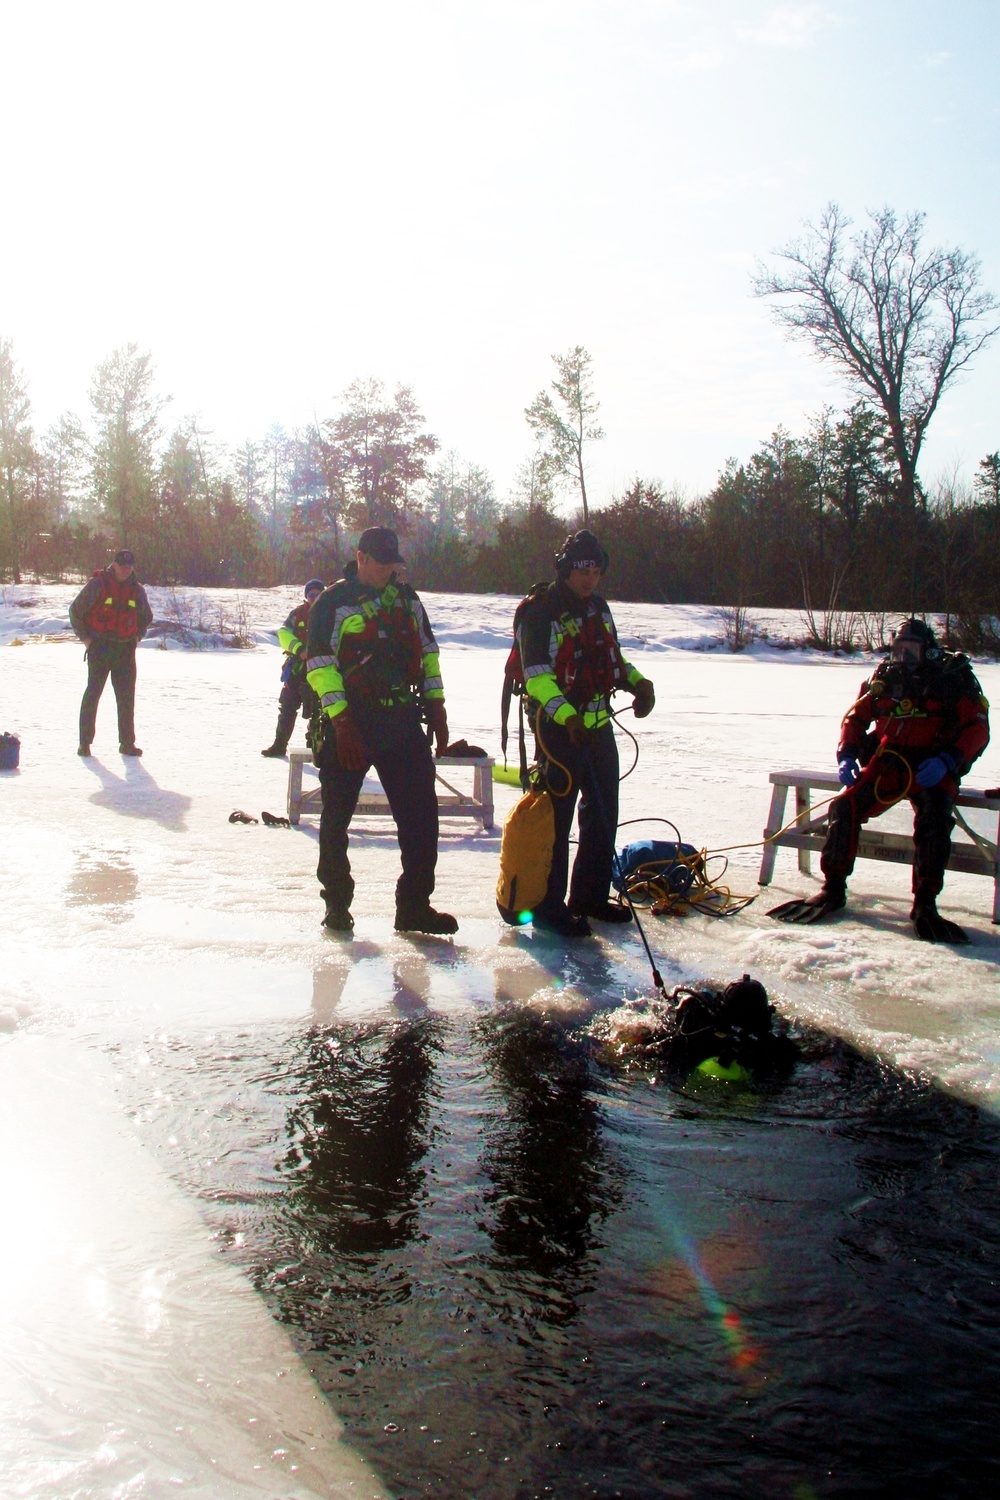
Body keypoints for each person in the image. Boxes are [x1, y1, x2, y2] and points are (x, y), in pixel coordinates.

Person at [770, 617, 990, 944]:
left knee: (934, 819)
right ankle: (833, 888)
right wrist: (847, 753)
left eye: (911, 651)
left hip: (933, 764)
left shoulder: (951, 679)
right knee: (845, 807)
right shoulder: (884, 678)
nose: (903, 659)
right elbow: (855, 718)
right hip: (890, 761)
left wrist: (949, 760)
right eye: (898, 650)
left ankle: (925, 904)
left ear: (928, 651)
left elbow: (978, 728)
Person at [305, 526, 457, 936]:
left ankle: (414, 906)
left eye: (394, 563)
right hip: (351, 724)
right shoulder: (332, 603)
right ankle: (337, 905)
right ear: (361, 559)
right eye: (381, 563)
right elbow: (319, 664)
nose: (389, 570)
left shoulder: (407, 599)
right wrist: (342, 723)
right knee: (336, 818)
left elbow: (427, 653)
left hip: (401, 721)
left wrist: (437, 707)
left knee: (422, 816)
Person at [517, 529, 656, 938]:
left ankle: (589, 897)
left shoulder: (599, 608)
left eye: (596, 571)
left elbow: (611, 657)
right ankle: (547, 906)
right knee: (556, 821)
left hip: (597, 727)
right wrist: (567, 717)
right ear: (564, 568)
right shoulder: (540, 611)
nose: (589, 579)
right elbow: (536, 675)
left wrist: (638, 683)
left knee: (602, 813)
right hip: (557, 731)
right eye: (582, 570)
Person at [69, 549, 153, 757]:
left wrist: (137, 636)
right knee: (93, 694)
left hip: (125, 649)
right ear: (113, 564)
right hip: (100, 646)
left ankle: (127, 744)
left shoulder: (137, 590)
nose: (126, 570)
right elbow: (75, 611)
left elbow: (146, 616)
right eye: (122, 566)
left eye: (129, 567)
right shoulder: (98, 584)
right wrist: (86, 639)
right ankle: (84, 743)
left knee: (126, 698)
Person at [261, 578, 325, 757]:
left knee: (319, 713)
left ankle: (317, 749)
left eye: (318, 594)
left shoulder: (331, 613)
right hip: (297, 671)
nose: (314, 597)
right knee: (287, 708)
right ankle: (279, 746)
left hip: (322, 672)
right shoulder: (296, 614)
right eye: (311, 594)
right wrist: (299, 649)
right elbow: (283, 633)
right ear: (306, 596)